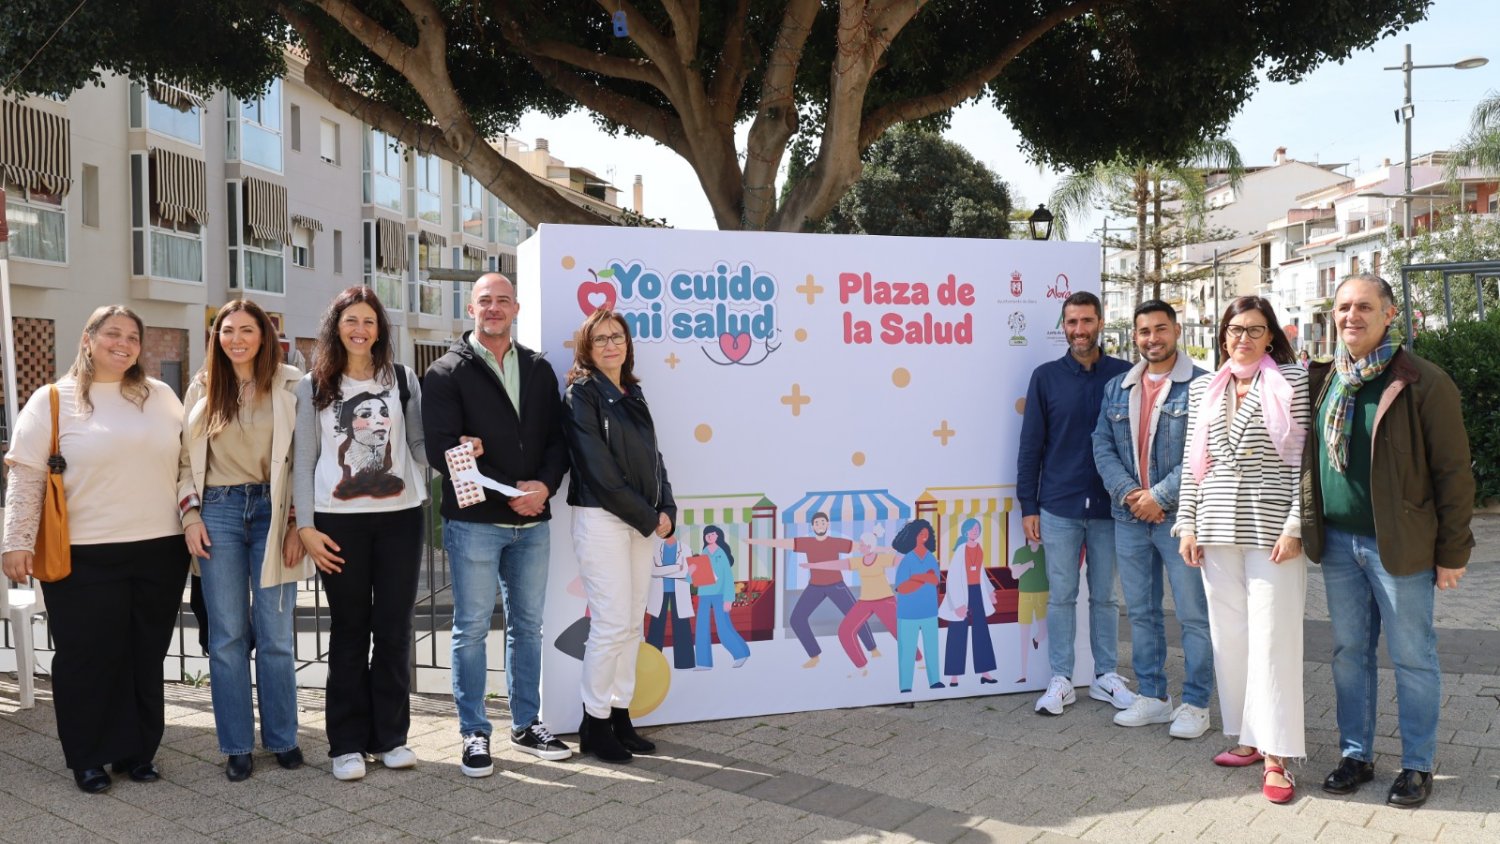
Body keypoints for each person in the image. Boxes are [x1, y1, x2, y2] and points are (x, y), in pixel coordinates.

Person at [1302, 273, 1474, 809]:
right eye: (1343, 307)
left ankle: (1417, 765)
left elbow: (1453, 474)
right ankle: (1356, 755)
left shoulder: (1422, 381)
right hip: (1338, 546)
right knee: (1350, 654)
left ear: (1390, 314)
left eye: (1364, 307)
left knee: (1412, 656)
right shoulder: (1326, 378)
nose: (1351, 316)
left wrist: (1451, 553)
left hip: (1399, 548)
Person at [2, 306, 188, 794]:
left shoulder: (162, 396)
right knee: (86, 658)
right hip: (84, 553)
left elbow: (189, 462)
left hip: (160, 549)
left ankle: (137, 752)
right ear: (88, 339)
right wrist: (16, 542)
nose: (123, 343)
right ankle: (88, 756)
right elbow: (26, 475)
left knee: (144, 655)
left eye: (132, 336)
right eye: (112, 334)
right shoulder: (51, 401)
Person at [422, 273, 572, 778]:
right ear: (470, 307)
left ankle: (527, 724)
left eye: (502, 301)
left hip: (534, 522)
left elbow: (558, 440)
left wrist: (544, 488)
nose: (493, 308)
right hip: (476, 523)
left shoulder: (538, 368)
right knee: (469, 630)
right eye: (485, 301)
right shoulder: (444, 373)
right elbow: (445, 451)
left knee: (527, 628)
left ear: (517, 308)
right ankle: (473, 732)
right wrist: (514, 491)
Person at [1175, 295, 1310, 804]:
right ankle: (1251, 738)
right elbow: (1194, 464)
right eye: (1235, 330)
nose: (1244, 339)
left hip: (1273, 530)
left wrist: (1296, 524)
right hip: (1214, 529)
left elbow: (1304, 464)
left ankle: (1278, 757)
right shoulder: (1207, 389)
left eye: (1254, 330)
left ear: (1271, 335)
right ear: (1223, 334)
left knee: (1273, 640)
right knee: (1230, 638)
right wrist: (1187, 524)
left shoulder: (1292, 383)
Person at [293, 287, 428, 782]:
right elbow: (304, 459)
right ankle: (346, 744)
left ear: (380, 329)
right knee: (351, 629)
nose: (360, 329)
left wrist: (444, 465)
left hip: (401, 517)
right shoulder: (313, 386)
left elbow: (417, 442)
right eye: (351, 320)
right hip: (337, 521)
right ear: (336, 326)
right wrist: (305, 525)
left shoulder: (404, 380)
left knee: (393, 630)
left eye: (369, 321)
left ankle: (390, 738)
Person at [178, 299, 309, 782]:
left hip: (275, 513)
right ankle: (236, 744)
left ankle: (283, 738)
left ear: (264, 335)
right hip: (219, 511)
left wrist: (298, 523)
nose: (236, 338)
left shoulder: (292, 383)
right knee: (228, 634)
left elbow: (306, 460)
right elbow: (181, 460)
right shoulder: (203, 386)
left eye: (246, 330)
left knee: (275, 635)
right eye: (227, 331)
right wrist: (190, 515)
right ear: (216, 338)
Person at [1092, 300, 1214, 740]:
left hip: (1179, 519)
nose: (1152, 339)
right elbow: (1101, 444)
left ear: (1176, 331)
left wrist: (1158, 496)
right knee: (1141, 612)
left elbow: (1202, 453)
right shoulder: (1117, 387)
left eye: (1160, 329)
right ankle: (1154, 697)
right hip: (1129, 517)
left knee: (1193, 615)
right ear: (1135, 336)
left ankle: (1197, 703)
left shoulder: (1202, 385)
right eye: (1143, 331)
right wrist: (1129, 494)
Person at [562, 308, 677, 764]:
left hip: (642, 520)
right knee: (609, 625)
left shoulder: (634, 392)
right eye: (601, 339)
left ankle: (619, 713)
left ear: (627, 344)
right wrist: (648, 518)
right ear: (587, 349)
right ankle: (594, 722)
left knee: (631, 623)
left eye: (618, 337)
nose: (611, 345)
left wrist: (666, 506)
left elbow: (654, 456)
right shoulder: (581, 394)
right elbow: (599, 471)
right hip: (603, 519)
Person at [1017, 290, 1135, 716]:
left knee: (1105, 596)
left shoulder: (1125, 374)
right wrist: (1027, 504)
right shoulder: (1045, 377)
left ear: (1100, 322)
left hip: (1111, 507)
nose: (1079, 330)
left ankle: (1106, 676)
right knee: (1062, 594)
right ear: (1063, 327)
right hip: (1058, 507)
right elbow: (1031, 446)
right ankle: (1061, 679)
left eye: (1086, 321)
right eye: (1071, 322)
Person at [747, 512, 876, 668]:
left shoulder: (836, 542)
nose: (820, 525)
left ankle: (872, 648)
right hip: (815, 586)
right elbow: (781, 543)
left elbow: (861, 547)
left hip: (836, 585)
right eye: (817, 523)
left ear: (827, 524)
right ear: (812, 526)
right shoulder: (807, 543)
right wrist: (754, 541)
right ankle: (814, 655)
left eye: (823, 522)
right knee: (796, 619)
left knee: (855, 615)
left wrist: (881, 549)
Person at [938, 518, 998, 686]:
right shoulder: (960, 550)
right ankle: (954, 675)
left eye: (977, 529)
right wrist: (957, 604)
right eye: (971, 529)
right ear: (965, 531)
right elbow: (953, 577)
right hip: (962, 593)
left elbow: (982, 573)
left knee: (981, 631)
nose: (975, 532)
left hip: (977, 592)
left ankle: (985, 672)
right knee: (957, 631)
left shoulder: (979, 549)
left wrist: (990, 591)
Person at [690, 525, 750, 670]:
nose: (709, 537)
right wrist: (690, 572)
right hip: (704, 594)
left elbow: (728, 578)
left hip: (720, 594)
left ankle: (741, 653)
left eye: (712, 534)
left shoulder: (721, 553)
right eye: (707, 535)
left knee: (723, 627)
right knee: (701, 628)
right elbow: (694, 580)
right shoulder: (704, 552)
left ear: (718, 536)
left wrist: (728, 599)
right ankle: (703, 662)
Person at [892, 519, 942, 693]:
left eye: (926, 534)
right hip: (907, 614)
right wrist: (922, 577)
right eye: (921, 533)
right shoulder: (907, 560)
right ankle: (905, 685)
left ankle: (935, 680)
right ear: (913, 536)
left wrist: (915, 578)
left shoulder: (930, 558)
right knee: (907, 650)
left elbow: (935, 580)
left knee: (932, 648)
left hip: (929, 612)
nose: (924, 536)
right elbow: (903, 588)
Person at [645, 535, 695, 669]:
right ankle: (651, 663)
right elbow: (653, 571)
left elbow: (686, 573)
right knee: (656, 626)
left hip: (679, 592)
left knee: (682, 626)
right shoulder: (654, 548)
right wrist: (677, 568)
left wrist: (664, 571)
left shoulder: (685, 548)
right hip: (659, 592)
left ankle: (685, 663)